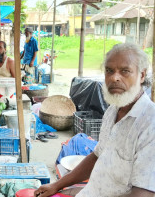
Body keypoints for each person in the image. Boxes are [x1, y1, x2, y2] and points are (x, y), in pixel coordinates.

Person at [35, 43, 155, 197]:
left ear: (142, 75)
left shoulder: (150, 122)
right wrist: (56, 185)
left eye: (125, 71)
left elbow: (143, 193)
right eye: (109, 71)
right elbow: (98, 155)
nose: (114, 78)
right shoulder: (113, 110)